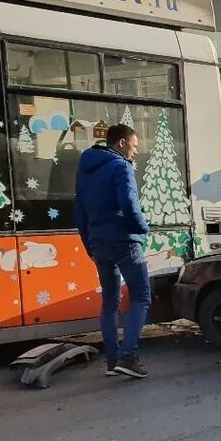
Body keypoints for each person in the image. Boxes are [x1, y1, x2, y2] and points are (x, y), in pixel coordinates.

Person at [74, 123, 152, 379]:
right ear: (121, 143)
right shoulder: (121, 167)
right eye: (134, 146)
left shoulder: (86, 170)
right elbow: (129, 204)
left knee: (110, 303)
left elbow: (80, 212)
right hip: (124, 241)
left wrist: (90, 245)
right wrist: (142, 229)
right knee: (141, 296)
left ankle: (113, 360)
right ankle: (128, 357)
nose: (135, 152)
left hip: (99, 243)